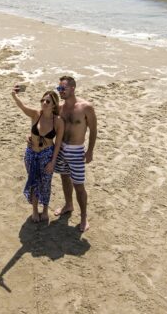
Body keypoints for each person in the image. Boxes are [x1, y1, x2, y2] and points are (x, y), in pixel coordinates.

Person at [12, 86, 64, 223]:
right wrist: (14, 95)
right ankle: (35, 210)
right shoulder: (36, 114)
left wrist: (53, 162)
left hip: (47, 155)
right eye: (42, 100)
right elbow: (22, 106)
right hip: (31, 154)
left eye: (47, 101)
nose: (43, 103)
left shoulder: (58, 121)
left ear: (54, 105)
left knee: (46, 183)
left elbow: (57, 143)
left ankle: (45, 210)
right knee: (33, 181)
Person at [53, 76, 97, 232]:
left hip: (76, 150)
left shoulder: (86, 107)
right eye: (58, 88)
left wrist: (90, 150)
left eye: (62, 88)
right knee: (64, 178)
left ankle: (84, 217)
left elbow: (93, 130)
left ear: (73, 88)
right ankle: (68, 205)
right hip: (61, 149)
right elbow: (41, 116)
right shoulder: (59, 107)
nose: (60, 91)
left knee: (78, 185)